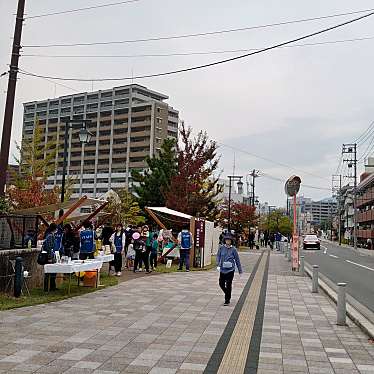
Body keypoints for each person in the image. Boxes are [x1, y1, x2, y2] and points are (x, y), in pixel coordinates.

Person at [216, 232, 243, 306]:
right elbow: (218, 256)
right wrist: (218, 264)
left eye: (229, 240)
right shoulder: (221, 248)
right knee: (221, 283)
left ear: (231, 241)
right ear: (225, 240)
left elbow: (237, 260)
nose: (228, 241)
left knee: (228, 284)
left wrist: (240, 270)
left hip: (230, 270)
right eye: (227, 240)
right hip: (222, 269)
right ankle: (227, 293)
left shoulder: (233, 249)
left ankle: (227, 300)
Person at [43, 223, 58, 292]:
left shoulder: (51, 235)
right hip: (50, 256)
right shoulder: (49, 236)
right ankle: (47, 288)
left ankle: (52, 286)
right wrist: (49, 257)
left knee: (53, 272)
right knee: (49, 272)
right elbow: (49, 247)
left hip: (53, 255)